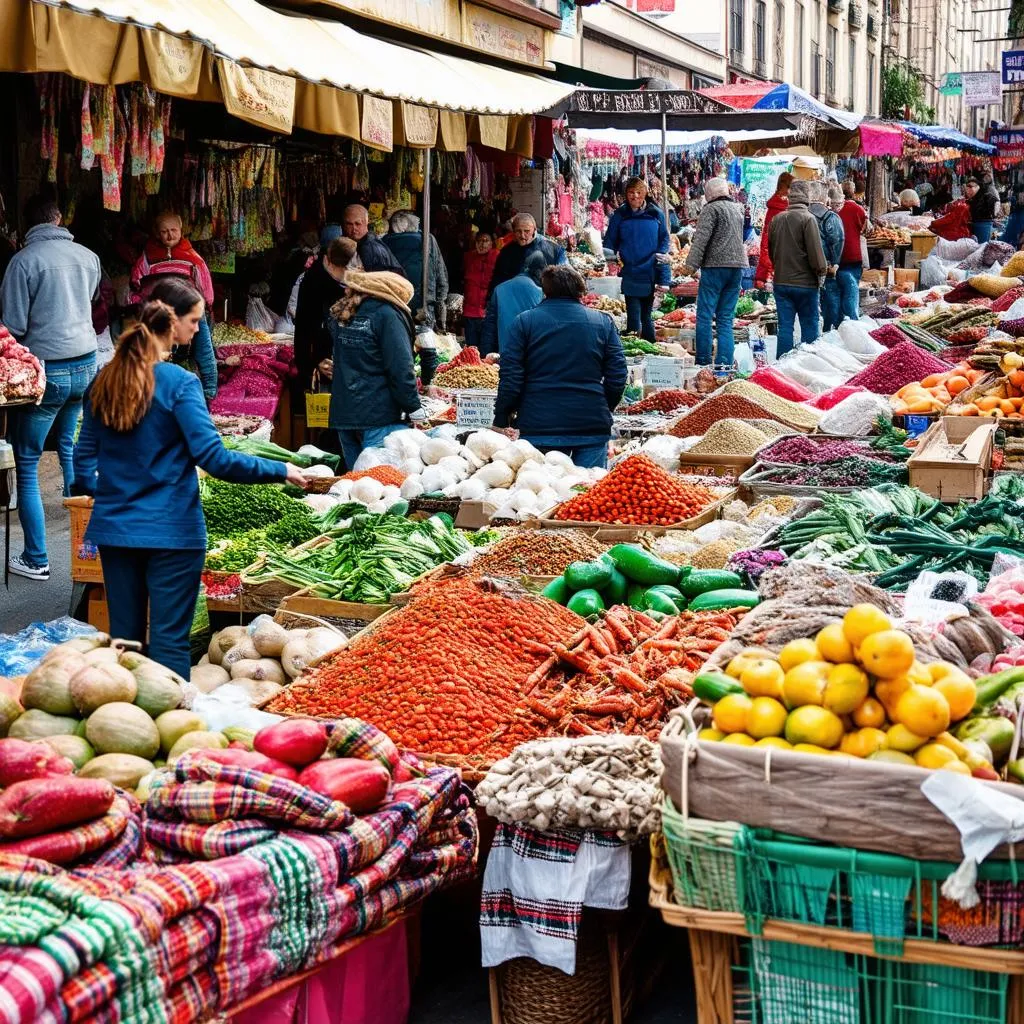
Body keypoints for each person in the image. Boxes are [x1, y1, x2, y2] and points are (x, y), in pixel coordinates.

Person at [72, 288, 306, 678]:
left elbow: (82, 466)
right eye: (195, 321)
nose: (198, 331)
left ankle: (124, 722)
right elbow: (214, 459)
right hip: (172, 532)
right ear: (170, 322)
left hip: (116, 531)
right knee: (169, 640)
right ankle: (169, 724)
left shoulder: (104, 381)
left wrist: (113, 493)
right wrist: (279, 470)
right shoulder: (180, 383)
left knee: (123, 639)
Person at [0, 196, 101, 581]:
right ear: (60, 219)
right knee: (70, 445)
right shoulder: (88, 256)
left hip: (48, 371)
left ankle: (36, 558)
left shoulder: (23, 262)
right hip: (86, 363)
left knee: (26, 464)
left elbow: (13, 324)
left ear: (29, 224)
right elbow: (88, 303)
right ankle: (85, 548)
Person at [493, 265, 626, 470]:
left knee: (545, 494)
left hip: (540, 425)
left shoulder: (524, 322)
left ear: (545, 291)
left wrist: (502, 416)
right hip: (590, 424)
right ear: (581, 292)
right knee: (587, 494)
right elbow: (617, 377)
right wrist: (601, 405)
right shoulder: (602, 322)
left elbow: (511, 377)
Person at [325, 270, 428, 471]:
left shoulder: (348, 311)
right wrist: (414, 408)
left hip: (344, 412)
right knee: (378, 486)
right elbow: (400, 369)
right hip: (377, 414)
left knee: (356, 485)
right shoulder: (388, 315)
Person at [129, 211, 217, 399]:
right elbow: (136, 284)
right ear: (156, 233)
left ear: (181, 230)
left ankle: (209, 392)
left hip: (190, 309)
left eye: (173, 230)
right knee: (157, 352)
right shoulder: (148, 258)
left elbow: (205, 287)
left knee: (204, 350)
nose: (169, 235)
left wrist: (206, 307)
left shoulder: (193, 258)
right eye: (164, 231)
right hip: (160, 311)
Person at [685, 177, 746, 369]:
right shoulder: (737, 209)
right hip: (737, 268)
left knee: (704, 316)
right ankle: (724, 364)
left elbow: (701, 240)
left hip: (715, 267)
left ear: (709, 194)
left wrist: (690, 266)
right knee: (725, 319)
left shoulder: (711, 209)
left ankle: (703, 361)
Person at [603, 177, 671, 344]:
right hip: (630, 270)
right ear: (626, 194)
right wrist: (611, 262)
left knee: (646, 316)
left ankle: (650, 348)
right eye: (631, 192)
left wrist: (661, 258)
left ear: (645, 193)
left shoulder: (656, 213)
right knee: (633, 314)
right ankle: (633, 351)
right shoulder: (620, 215)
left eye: (638, 192)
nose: (634, 196)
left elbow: (664, 239)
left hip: (650, 271)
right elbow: (610, 241)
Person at [768, 179, 827, 357]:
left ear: (790, 197)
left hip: (781, 282)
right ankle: (808, 363)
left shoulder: (777, 219)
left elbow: (771, 252)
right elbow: (816, 256)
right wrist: (822, 271)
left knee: (785, 327)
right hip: (806, 284)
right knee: (809, 324)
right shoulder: (808, 219)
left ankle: (782, 366)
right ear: (806, 197)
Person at [293, 235, 357, 392]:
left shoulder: (349, 277)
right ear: (328, 262)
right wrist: (313, 362)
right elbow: (304, 328)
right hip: (327, 360)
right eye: (344, 271)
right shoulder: (314, 282)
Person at [382, 210, 449, 328]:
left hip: (394, 304)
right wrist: (441, 305)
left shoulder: (385, 241)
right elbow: (441, 275)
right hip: (424, 306)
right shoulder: (427, 239)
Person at [480, 251, 546, 357]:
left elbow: (489, 328)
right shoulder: (541, 292)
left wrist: (485, 355)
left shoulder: (499, 289)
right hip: (534, 355)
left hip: (506, 354)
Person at [487, 213, 564, 295]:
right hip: (515, 300)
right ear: (513, 231)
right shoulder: (506, 252)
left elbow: (564, 278)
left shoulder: (554, 250)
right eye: (518, 231)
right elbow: (498, 281)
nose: (522, 236)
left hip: (543, 302)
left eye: (527, 231)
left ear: (534, 230)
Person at [809, 181, 845, 333]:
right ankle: (828, 331)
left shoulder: (796, 214)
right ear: (825, 198)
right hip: (825, 266)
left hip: (800, 269)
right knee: (829, 301)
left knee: (809, 307)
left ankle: (812, 335)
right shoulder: (830, 217)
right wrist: (835, 263)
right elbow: (837, 240)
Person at [833, 182, 868, 325]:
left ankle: (838, 325)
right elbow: (866, 228)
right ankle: (852, 324)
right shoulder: (857, 209)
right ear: (853, 192)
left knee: (836, 293)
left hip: (835, 258)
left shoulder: (832, 210)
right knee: (851, 291)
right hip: (852, 255)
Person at [754, 172, 793, 288]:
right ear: (785, 186)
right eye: (791, 187)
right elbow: (767, 240)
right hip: (778, 261)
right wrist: (768, 268)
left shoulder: (780, 206)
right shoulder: (778, 208)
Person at [342, 205, 405, 274]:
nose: (354, 228)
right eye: (349, 224)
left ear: (367, 222)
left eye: (358, 224)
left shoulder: (369, 247)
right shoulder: (365, 240)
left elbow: (373, 282)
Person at [462, 232, 497, 351]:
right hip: (470, 311)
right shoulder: (468, 258)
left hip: (487, 311)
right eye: (479, 241)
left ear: (491, 243)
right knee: (472, 350)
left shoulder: (497, 257)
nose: (482, 244)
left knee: (486, 350)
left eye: (486, 241)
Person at [966, 176, 1000, 242]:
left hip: (983, 225)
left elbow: (996, 202)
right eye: (968, 187)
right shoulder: (972, 198)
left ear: (977, 187)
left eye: (971, 187)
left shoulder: (986, 195)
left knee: (982, 245)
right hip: (975, 225)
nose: (969, 191)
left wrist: (993, 215)